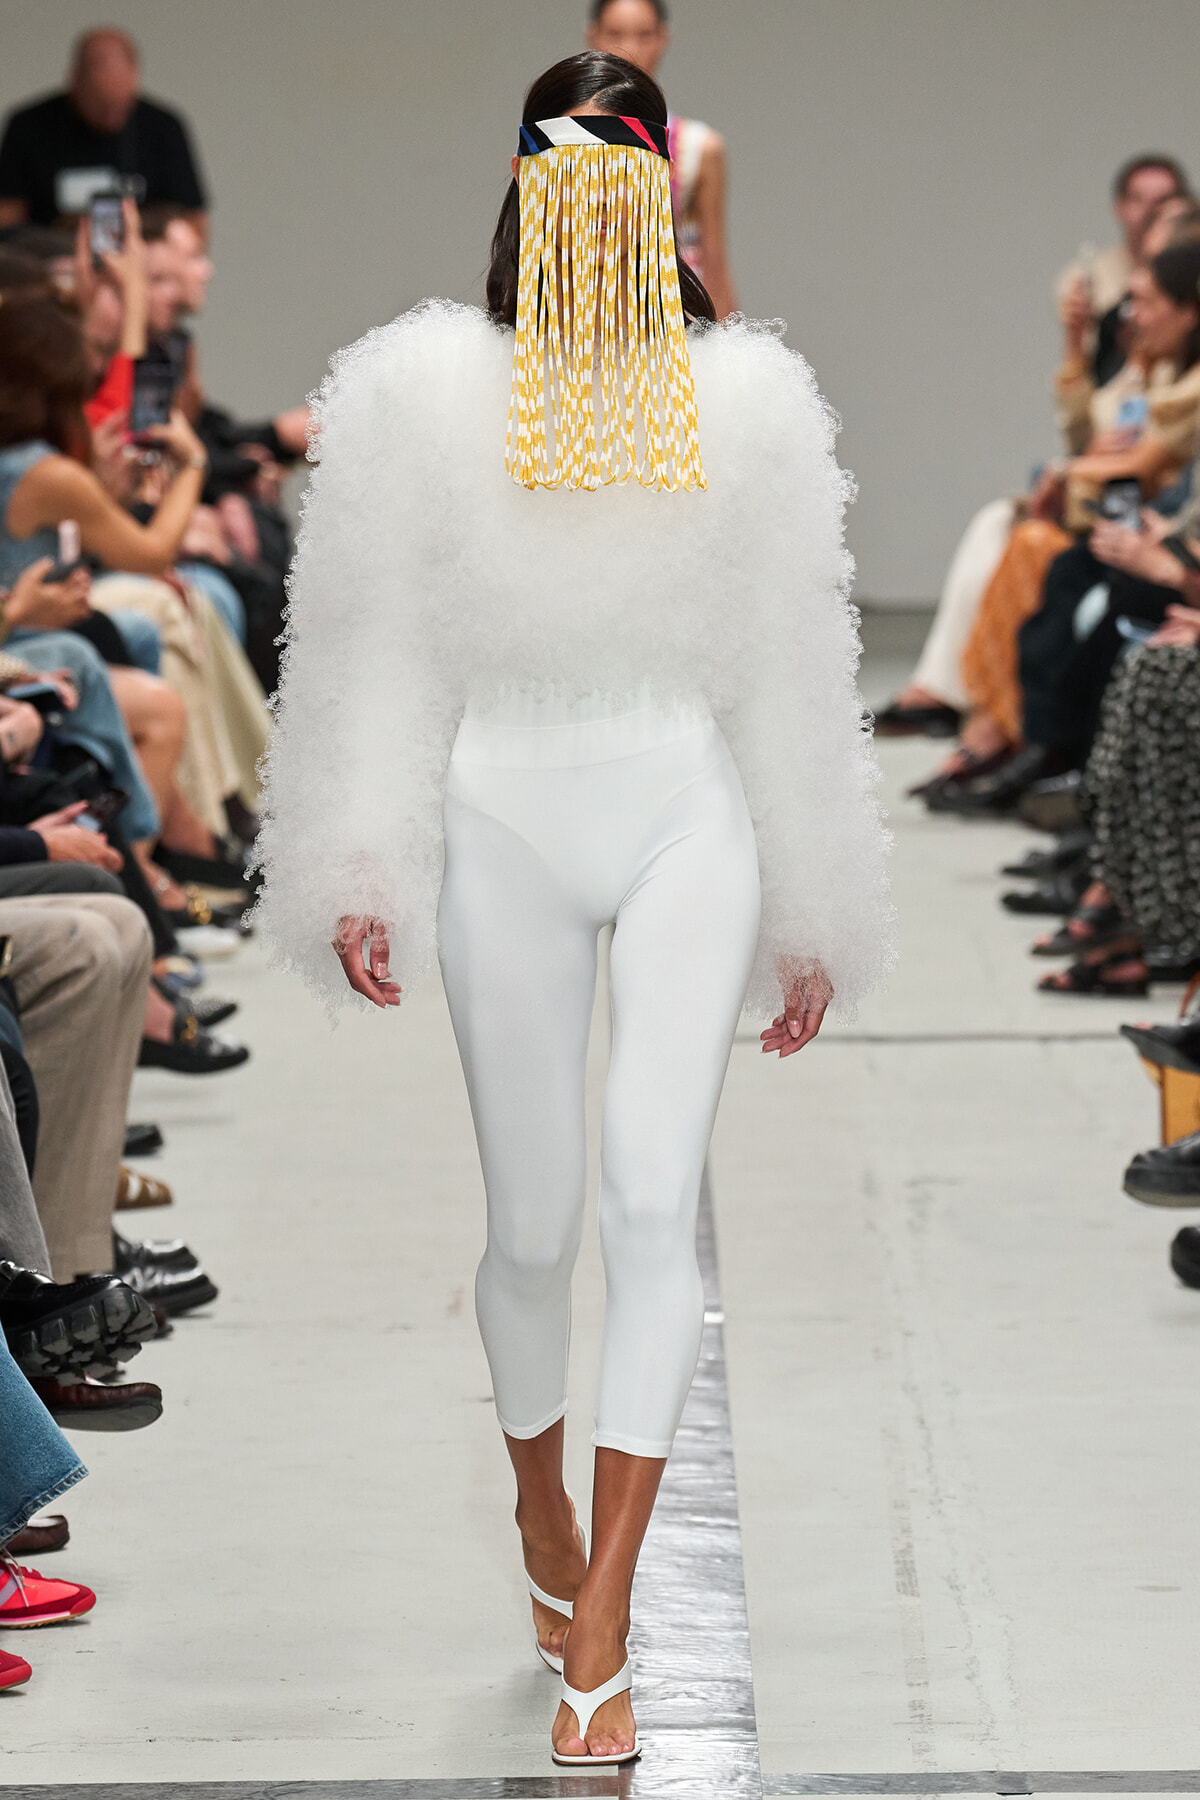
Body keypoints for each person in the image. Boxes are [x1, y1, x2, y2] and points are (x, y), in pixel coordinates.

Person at [258, 51, 892, 1767]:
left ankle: (604, 1616)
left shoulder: (744, 402)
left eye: (637, 182)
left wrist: (813, 899)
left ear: (664, 200)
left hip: (687, 811)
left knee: (650, 1200)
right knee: (533, 1226)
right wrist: (358, 859)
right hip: (501, 815)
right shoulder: (423, 391)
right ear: (533, 189)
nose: (612, 212)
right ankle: (540, 1507)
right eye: (583, 177)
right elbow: (373, 639)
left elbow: (792, 658)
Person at [586, 0, 738, 319]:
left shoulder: (698, 147)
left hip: (674, 319)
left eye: (644, 35)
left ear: (662, 38)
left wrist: (725, 343)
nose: (629, 49)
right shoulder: (564, 142)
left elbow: (714, 264)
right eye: (615, 34)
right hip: (581, 316)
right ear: (593, 36)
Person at [0, 28, 207, 231]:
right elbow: (7, 219)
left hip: (144, 247)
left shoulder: (164, 127)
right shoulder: (28, 126)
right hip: (53, 247)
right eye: (101, 105)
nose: (112, 118)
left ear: (134, 79)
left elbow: (195, 224)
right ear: (75, 79)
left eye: (120, 105)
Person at [1056, 153, 1188, 386]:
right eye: (1138, 199)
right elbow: (1088, 403)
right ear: (1119, 207)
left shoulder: (1190, 278)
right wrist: (1075, 337)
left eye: (1163, 200)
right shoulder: (1088, 279)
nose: (1150, 211)